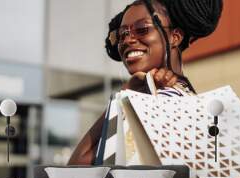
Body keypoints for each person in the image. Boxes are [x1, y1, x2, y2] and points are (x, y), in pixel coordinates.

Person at [68, 0, 223, 165]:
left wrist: (124, 95)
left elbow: (78, 166)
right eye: (122, 34)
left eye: (142, 29)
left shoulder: (160, 103)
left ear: (175, 37)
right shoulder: (181, 97)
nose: (127, 40)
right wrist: (127, 92)